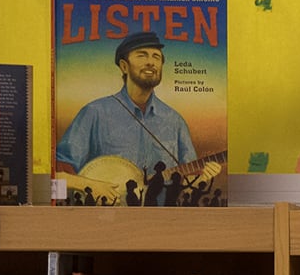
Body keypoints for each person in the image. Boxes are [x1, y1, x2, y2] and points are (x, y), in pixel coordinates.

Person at [54, 29, 201, 182]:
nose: (151, 62)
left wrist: (201, 179)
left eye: (156, 57)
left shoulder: (175, 121)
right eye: (142, 55)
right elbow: (58, 178)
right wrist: (87, 187)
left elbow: (190, 181)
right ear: (124, 66)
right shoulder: (94, 113)